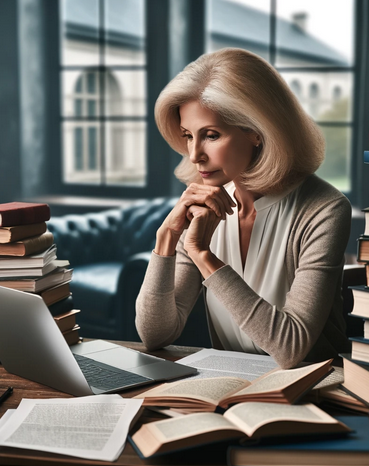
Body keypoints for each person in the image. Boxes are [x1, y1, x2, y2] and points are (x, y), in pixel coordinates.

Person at [136, 48, 351, 369]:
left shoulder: (324, 209)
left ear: (256, 132)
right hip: (234, 386)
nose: (194, 154)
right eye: (187, 136)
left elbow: (291, 347)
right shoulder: (205, 203)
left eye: (211, 135)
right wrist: (166, 238)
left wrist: (202, 255)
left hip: (316, 390)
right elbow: (155, 334)